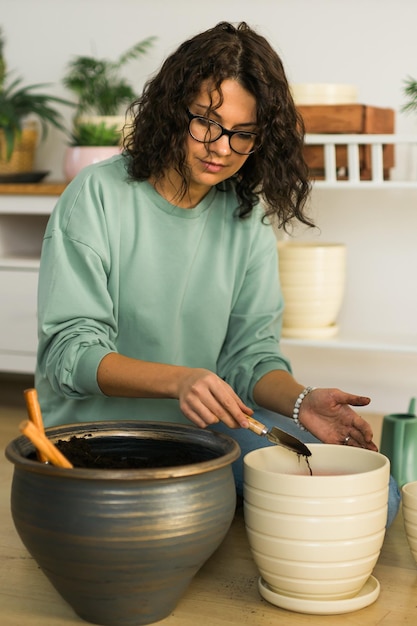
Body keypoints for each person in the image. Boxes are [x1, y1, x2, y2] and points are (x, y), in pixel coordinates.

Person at [35, 21, 399, 524]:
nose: (221, 147)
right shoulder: (97, 195)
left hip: (208, 433)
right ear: (172, 109)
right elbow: (68, 353)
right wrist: (179, 381)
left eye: (243, 134)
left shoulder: (245, 216)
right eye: (206, 122)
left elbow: (250, 357)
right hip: (104, 434)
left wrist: (302, 403)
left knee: (379, 499)